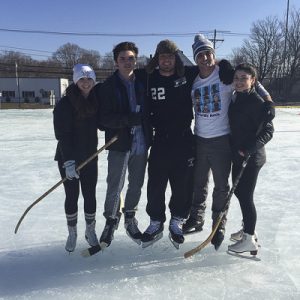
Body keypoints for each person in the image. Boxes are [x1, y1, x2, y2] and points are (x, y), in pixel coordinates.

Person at [183, 34, 273, 250]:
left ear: (214, 54)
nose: (205, 58)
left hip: (222, 140)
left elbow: (252, 80)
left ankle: (219, 223)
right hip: (200, 139)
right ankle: (196, 218)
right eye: (201, 55)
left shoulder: (226, 76)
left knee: (222, 187)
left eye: (208, 53)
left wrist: (268, 101)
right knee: (199, 183)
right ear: (196, 58)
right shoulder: (192, 79)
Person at [140, 40, 197, 249]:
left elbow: (214, 68)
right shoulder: (147, 77)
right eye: (162, 56)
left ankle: (177, 219)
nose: (166, 60)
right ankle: (156, 220)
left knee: (182, 184)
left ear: (176, 58)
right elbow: (121, 79)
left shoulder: (188, 75)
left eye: (170, 56)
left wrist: (225, 66)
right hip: (160, 140)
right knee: (156, 183)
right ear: (157, 58)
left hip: (184, 139)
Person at [98, 41, 152, 248]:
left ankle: (130, 217)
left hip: (141, 142)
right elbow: (103, 119)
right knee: (115, 185)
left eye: (131, 58)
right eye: (123, 58)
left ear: (135, 60)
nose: (127, 62)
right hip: (119, 143)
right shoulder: (108, 86)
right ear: (115, 62)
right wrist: (128, 120)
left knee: (136, 183)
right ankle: (111, 220)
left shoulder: (143, 81)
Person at [53, 64, 101, 252]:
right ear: (75, 80)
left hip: (90, 156)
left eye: (89, 79)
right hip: (68, 157)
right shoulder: (65, 104)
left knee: (90, 194)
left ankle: (90, 230)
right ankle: (72, 232)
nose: (86, 82)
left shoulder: (95, 101)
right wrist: (69, 161)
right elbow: (62, 134)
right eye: (82, 79)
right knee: (72, 195)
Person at [228, 63, 274, 255]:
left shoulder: (256, 102)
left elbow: (268, 131)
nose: (239, 82)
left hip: (251, 157)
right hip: (239, 155)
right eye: (237, 78)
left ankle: (249, 239)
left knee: (246, 196)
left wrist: (248, 149)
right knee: (240, 193)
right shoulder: (237, 97)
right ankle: (248, 229)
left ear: (252, 81)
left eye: (244, 78)